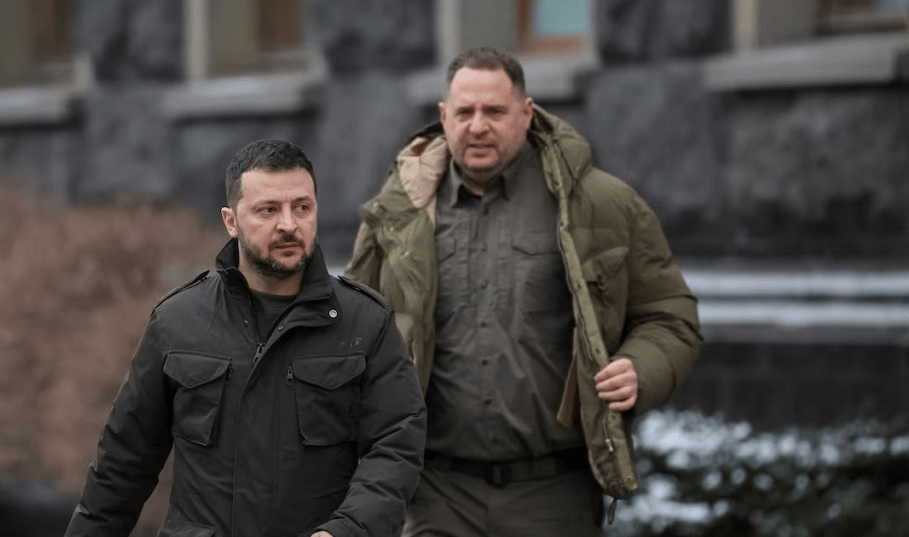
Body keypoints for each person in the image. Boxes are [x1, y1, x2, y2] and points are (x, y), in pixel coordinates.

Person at [345, 47, 702, 536]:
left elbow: (669, 313)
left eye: (495, 111)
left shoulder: (598, 204)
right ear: (443, 117)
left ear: (527, 114)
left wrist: (642, 368)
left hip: (554, 494)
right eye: (465, 112)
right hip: (436, 493)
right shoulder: (397, 212)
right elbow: (348, 330)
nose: (477, 126)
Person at [65, 139, 427, 537]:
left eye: (301, 207)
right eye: (268, 210)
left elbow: (396, 447)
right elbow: (122, 464)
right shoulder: (177, 321)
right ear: (231, 220)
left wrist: (348, 530)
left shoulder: (365, 323)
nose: (289, 224)